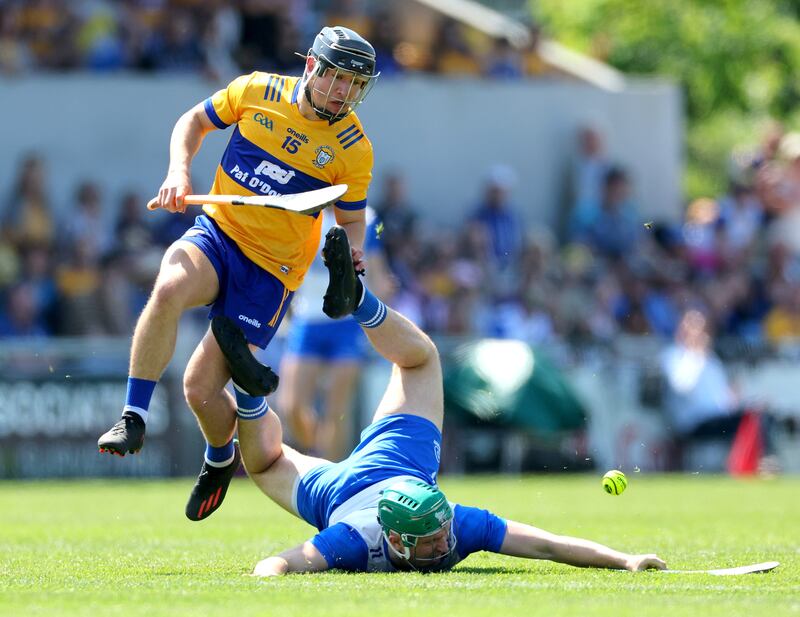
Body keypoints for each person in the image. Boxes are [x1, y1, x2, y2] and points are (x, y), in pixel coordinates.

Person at [228, 226, 667, 575]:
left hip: (403, 463)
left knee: (421, 359)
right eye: (434, 541)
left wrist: (624, 560)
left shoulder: (453, 521)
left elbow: (546, 544)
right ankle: (248, 390)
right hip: (345, 494)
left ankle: (357, 300)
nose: (446, 544)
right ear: (395, 541)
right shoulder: (353, 540)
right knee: (264, 463)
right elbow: (279, 563)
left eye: (441, 533)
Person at [97, 25, 380, 522]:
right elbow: (193, 122)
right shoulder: (257, 90)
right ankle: (133, 416)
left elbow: (353, 220)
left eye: (355, 85)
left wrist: (355, 253)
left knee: (199, 390)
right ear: (311, 66)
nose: (344, 93)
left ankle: (220, 455)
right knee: (168, 287)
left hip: (273, 271)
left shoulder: (353, 147)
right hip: (220, 233)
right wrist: (178, 172)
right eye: (337, 78)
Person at [278, 206, 393, 461]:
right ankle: (316, 455)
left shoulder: (368, 216)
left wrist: (378, 321)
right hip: (307, 319)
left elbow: (377, 270)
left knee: (336, 410)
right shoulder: (301, 210)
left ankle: (330, 476)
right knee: (292, 407)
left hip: (347, 321)